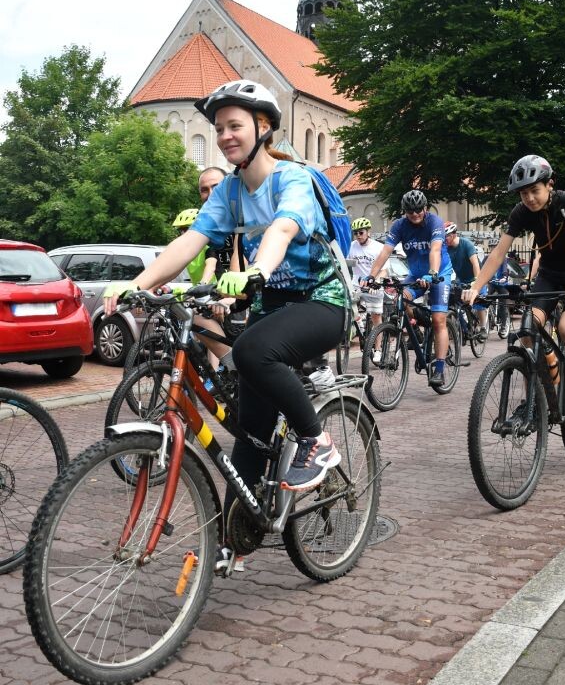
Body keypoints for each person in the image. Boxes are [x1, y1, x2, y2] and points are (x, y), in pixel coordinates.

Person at [104, 78, 348, 497]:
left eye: (233, 125)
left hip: (323, 302)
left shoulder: (292, 179)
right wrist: (135, 283)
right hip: (272, 308)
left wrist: (257, 271)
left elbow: (283, 227)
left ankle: (317, 441)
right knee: (250, 432)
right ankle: (236, 538)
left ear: (263, 127)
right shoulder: (231, 190)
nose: (224, 136)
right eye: (218, 129)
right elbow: (191, 241)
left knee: (253, 351)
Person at [464, 155, 565, 420]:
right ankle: (534, 396)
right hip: (549, 276)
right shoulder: (521, 213)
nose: (529, 198)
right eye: (523, 194)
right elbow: (498, 253)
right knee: (527, 332)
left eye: (534, 190)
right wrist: (476, 287)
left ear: (550, 184)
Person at [364, 189, 451, 386]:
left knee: (438, 320)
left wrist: (432, 274)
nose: (414, 214)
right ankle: (419, 326)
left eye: (418, 210)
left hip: (439, 273)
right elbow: (385, 252)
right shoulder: (399, 226)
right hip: (415, 274)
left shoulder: (434, 222)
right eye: (410, 211)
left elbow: (435, 250)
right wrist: (372, 276)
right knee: (400, 298)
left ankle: (439, 369)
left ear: (425, 208)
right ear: (405, 211)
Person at [443, 222, 488, 339]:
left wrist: (477, 282)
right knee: (455, 302)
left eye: (446, 236)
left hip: (476, 277)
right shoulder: (446, 248)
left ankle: (483, 327)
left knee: (479, 303)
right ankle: (464, 326)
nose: (444, 239)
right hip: (461, 279)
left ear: (453, 234)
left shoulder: (466, 244)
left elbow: (475, 264)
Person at [348, 217, 385, 330]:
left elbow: (384, 270)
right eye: (355, 233)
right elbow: (345, 264)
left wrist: (377, 281)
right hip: (356, 284)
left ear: (368, 232)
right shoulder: (351, 246)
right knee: (347, 308)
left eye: (361, 232)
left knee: (376, 319)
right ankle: (360, 326)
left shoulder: (379, 247)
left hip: (373, 285)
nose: (358, 235)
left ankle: (378, 348)